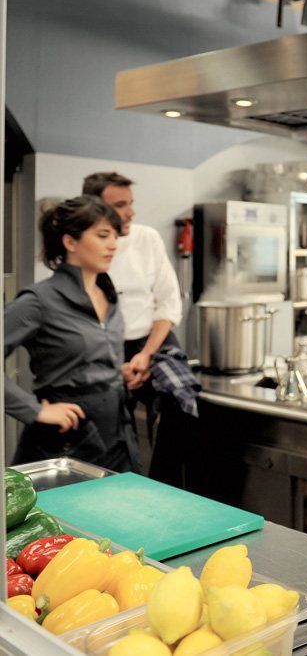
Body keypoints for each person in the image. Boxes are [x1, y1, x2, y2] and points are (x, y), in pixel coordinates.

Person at [4, 197, 143, 472]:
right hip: (67, 440)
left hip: (119, 433)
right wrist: (34, 409)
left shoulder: (109, 296)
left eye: (115, 236)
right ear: (70, 242)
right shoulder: (39, 300)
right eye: (103, 235)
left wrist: (117, 372)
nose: (113, 245)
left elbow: (90, 356)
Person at [82, 171, 199, 485]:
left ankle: (165, 486)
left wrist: (146, 354)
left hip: (152, 341)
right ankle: (120, 486)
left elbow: (168, 303)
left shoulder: (147, 238)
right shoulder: (84, 248)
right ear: (93, 208)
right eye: (121, 205)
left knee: (181, 403)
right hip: (106, 346)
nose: (131, 212)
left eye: (131, 203)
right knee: (114, 423)